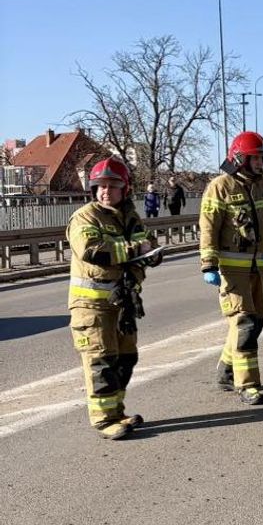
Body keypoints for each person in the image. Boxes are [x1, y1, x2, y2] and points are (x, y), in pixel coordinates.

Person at [66, 157, 160, 440]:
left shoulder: (130, 216)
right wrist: (134, 249)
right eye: (101, 186)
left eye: (112, 185)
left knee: (126, 359)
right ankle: (104, 420)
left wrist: (151, 253)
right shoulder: (85, 216)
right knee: (102, 362)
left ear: (125, 188)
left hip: (122, 303)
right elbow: (93, 250)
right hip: (92, 306)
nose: (105, 191)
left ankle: (117, 412)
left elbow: (148, 242)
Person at [199, 131, 263, 406]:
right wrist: (208, 265)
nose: (261, 163)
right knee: (245, 324)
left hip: (259, 268)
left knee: (254, 322)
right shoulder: (220, 187)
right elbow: (208, 228)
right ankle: (247, 385)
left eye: (262, 158)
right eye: (256, 158)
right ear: (240, 159)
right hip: (232, 270)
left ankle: (226, 371)